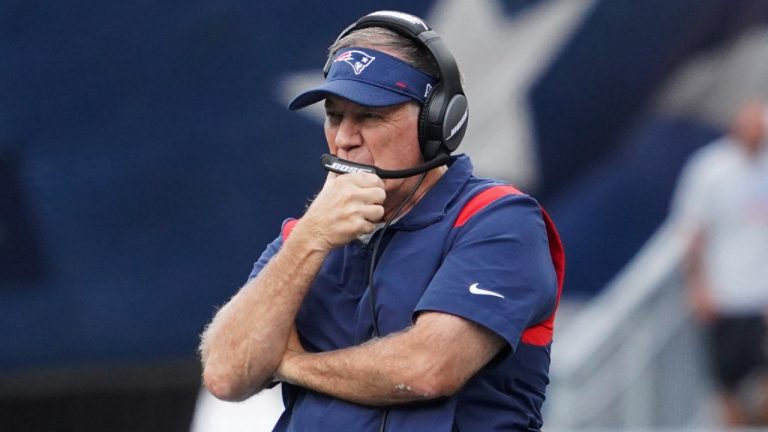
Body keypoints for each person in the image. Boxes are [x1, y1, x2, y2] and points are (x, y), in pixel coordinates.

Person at [199, 10, 564, 431]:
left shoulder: (498, 219)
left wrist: (291, 364)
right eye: (335, 116)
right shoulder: (309, 235)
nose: (344, 138)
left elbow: (427, 369)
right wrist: (310, 239)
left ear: (438, 122)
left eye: (370, 116)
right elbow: (226, 374)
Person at [671, 101, 768, 427]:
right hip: (726, 294)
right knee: (726, 382)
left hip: (762, 294)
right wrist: (698, 287)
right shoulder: (711, 169)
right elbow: (692, 233)